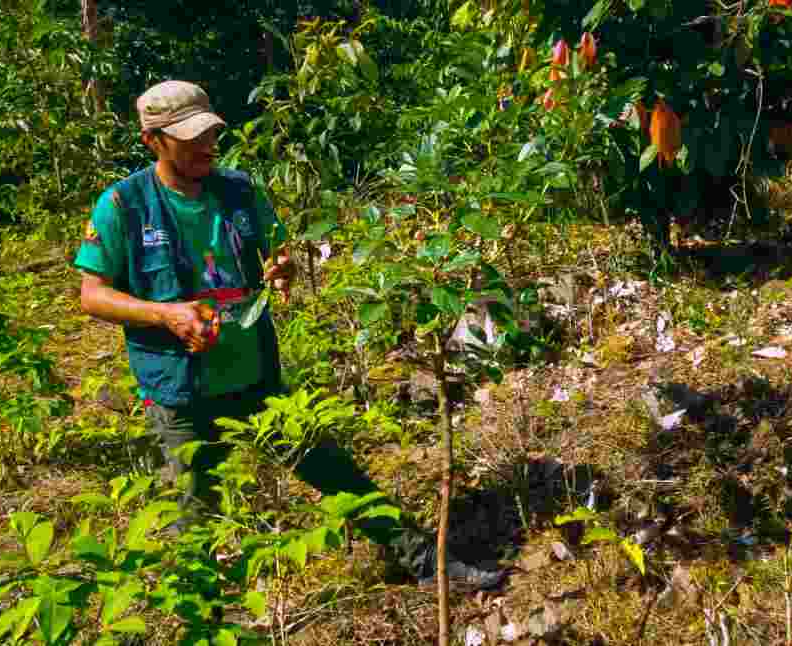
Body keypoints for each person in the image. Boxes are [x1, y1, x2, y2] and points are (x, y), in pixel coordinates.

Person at [74, 80, 503, 589]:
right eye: (191, 139)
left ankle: (424, 562)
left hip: (255, 378)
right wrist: (165, 315)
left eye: (210, 134)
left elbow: (278, 254)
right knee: (197, 518)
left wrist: (281, 269)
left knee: (335, 472)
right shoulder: (123, 206)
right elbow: (92, 295)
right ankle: (204, 619)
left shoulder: (237, 189)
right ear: (153, 141)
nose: (206, 147)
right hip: (180, 393)